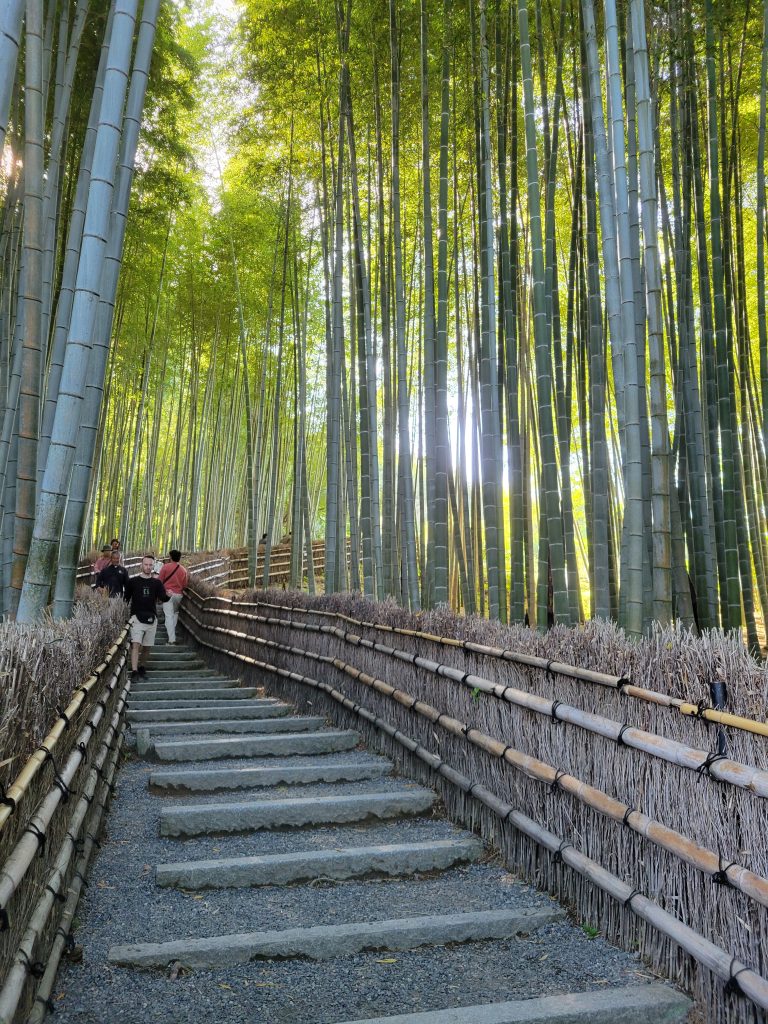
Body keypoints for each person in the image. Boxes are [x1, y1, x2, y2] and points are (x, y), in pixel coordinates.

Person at [125, 555, 169, 680]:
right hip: (136, 618)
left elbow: (163, 598)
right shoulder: (132, 582)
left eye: (150, 565)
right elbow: (125, 599)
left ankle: (142, 667)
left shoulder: (157, 583)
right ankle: (134, 671)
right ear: (141, 565)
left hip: (151, 618)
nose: (148, 567)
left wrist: (169, 596)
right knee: (136, 644)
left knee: (147, 646)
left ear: (153, 566)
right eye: (146, 564)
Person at [158, 549, 189, 645]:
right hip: (179, 595)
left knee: (168, 616)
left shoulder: (165, 567)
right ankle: (172, 634)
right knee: (175, 613)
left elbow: (159, 581)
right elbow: (185, 585)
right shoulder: (183, 570)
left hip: (168, 594)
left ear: (170, 557)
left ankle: (171, 640)